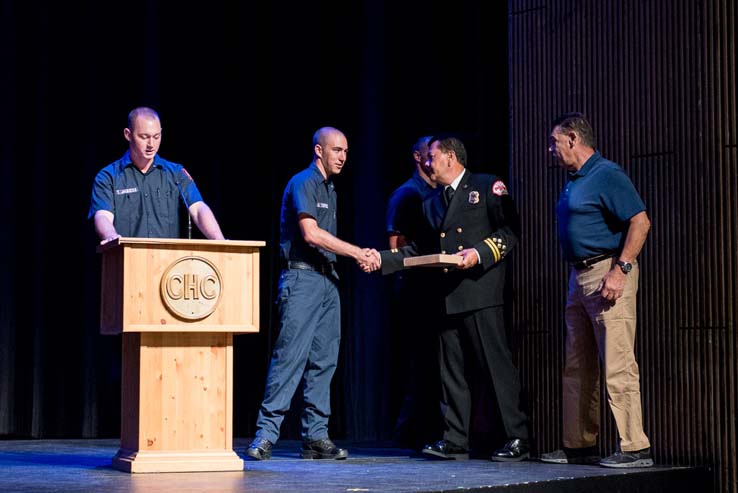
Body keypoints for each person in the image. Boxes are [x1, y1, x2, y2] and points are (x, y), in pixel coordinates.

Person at [366, 134, 530, 462]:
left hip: (479, 292)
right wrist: (382, 259)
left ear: (451, 157)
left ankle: (517, 436)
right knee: (450, 372)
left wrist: (480, 252)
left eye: (432, 157)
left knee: (494, 369)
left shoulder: (486, 186)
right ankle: (455, 437)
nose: (427, 163)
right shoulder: (432, 201)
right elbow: (421, 249)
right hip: (445, 296)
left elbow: (510, 230)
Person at [246, 127, 379, 461]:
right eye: (336, 150)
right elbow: (311, 234)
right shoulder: (303, 182)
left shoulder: (330, 189)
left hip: (327, 282)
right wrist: (357, 252)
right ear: (319, 150)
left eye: (346, 151)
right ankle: (265, 434)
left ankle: (315, 436)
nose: (342, 157)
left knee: (324, 362)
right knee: (289, 358)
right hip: (302, 279)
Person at [540, 112, 653, 468]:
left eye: (554, 142)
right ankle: (578, 444)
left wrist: (621, 270)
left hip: (607, 273)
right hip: (578, 277)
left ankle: (635, 446)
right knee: (577, 365)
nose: (550, 149)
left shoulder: (607, 174)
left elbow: (641, 221)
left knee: (618, 362)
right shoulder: (575, 179)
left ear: (573, 138)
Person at [88, 106, 225, 242]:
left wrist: (219, 240)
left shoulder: (176, 173)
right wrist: (111, 236)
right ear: (128, 134)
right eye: (144, 137)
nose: (151, 144)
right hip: (128, 258)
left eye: (156, 136)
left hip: (168, 261)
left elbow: (198, 209)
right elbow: (103, 216)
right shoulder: (108, 177)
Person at [385, 136, 443, 451]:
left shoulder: (439, 192)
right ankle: (407, 433)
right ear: (418, 156)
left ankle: (430, 429)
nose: (435, 160)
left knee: (433, 361)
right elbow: (396, 245)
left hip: (435, 287)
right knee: (417, 362)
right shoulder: (407, 193)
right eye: (430, 154)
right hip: (412, 288)